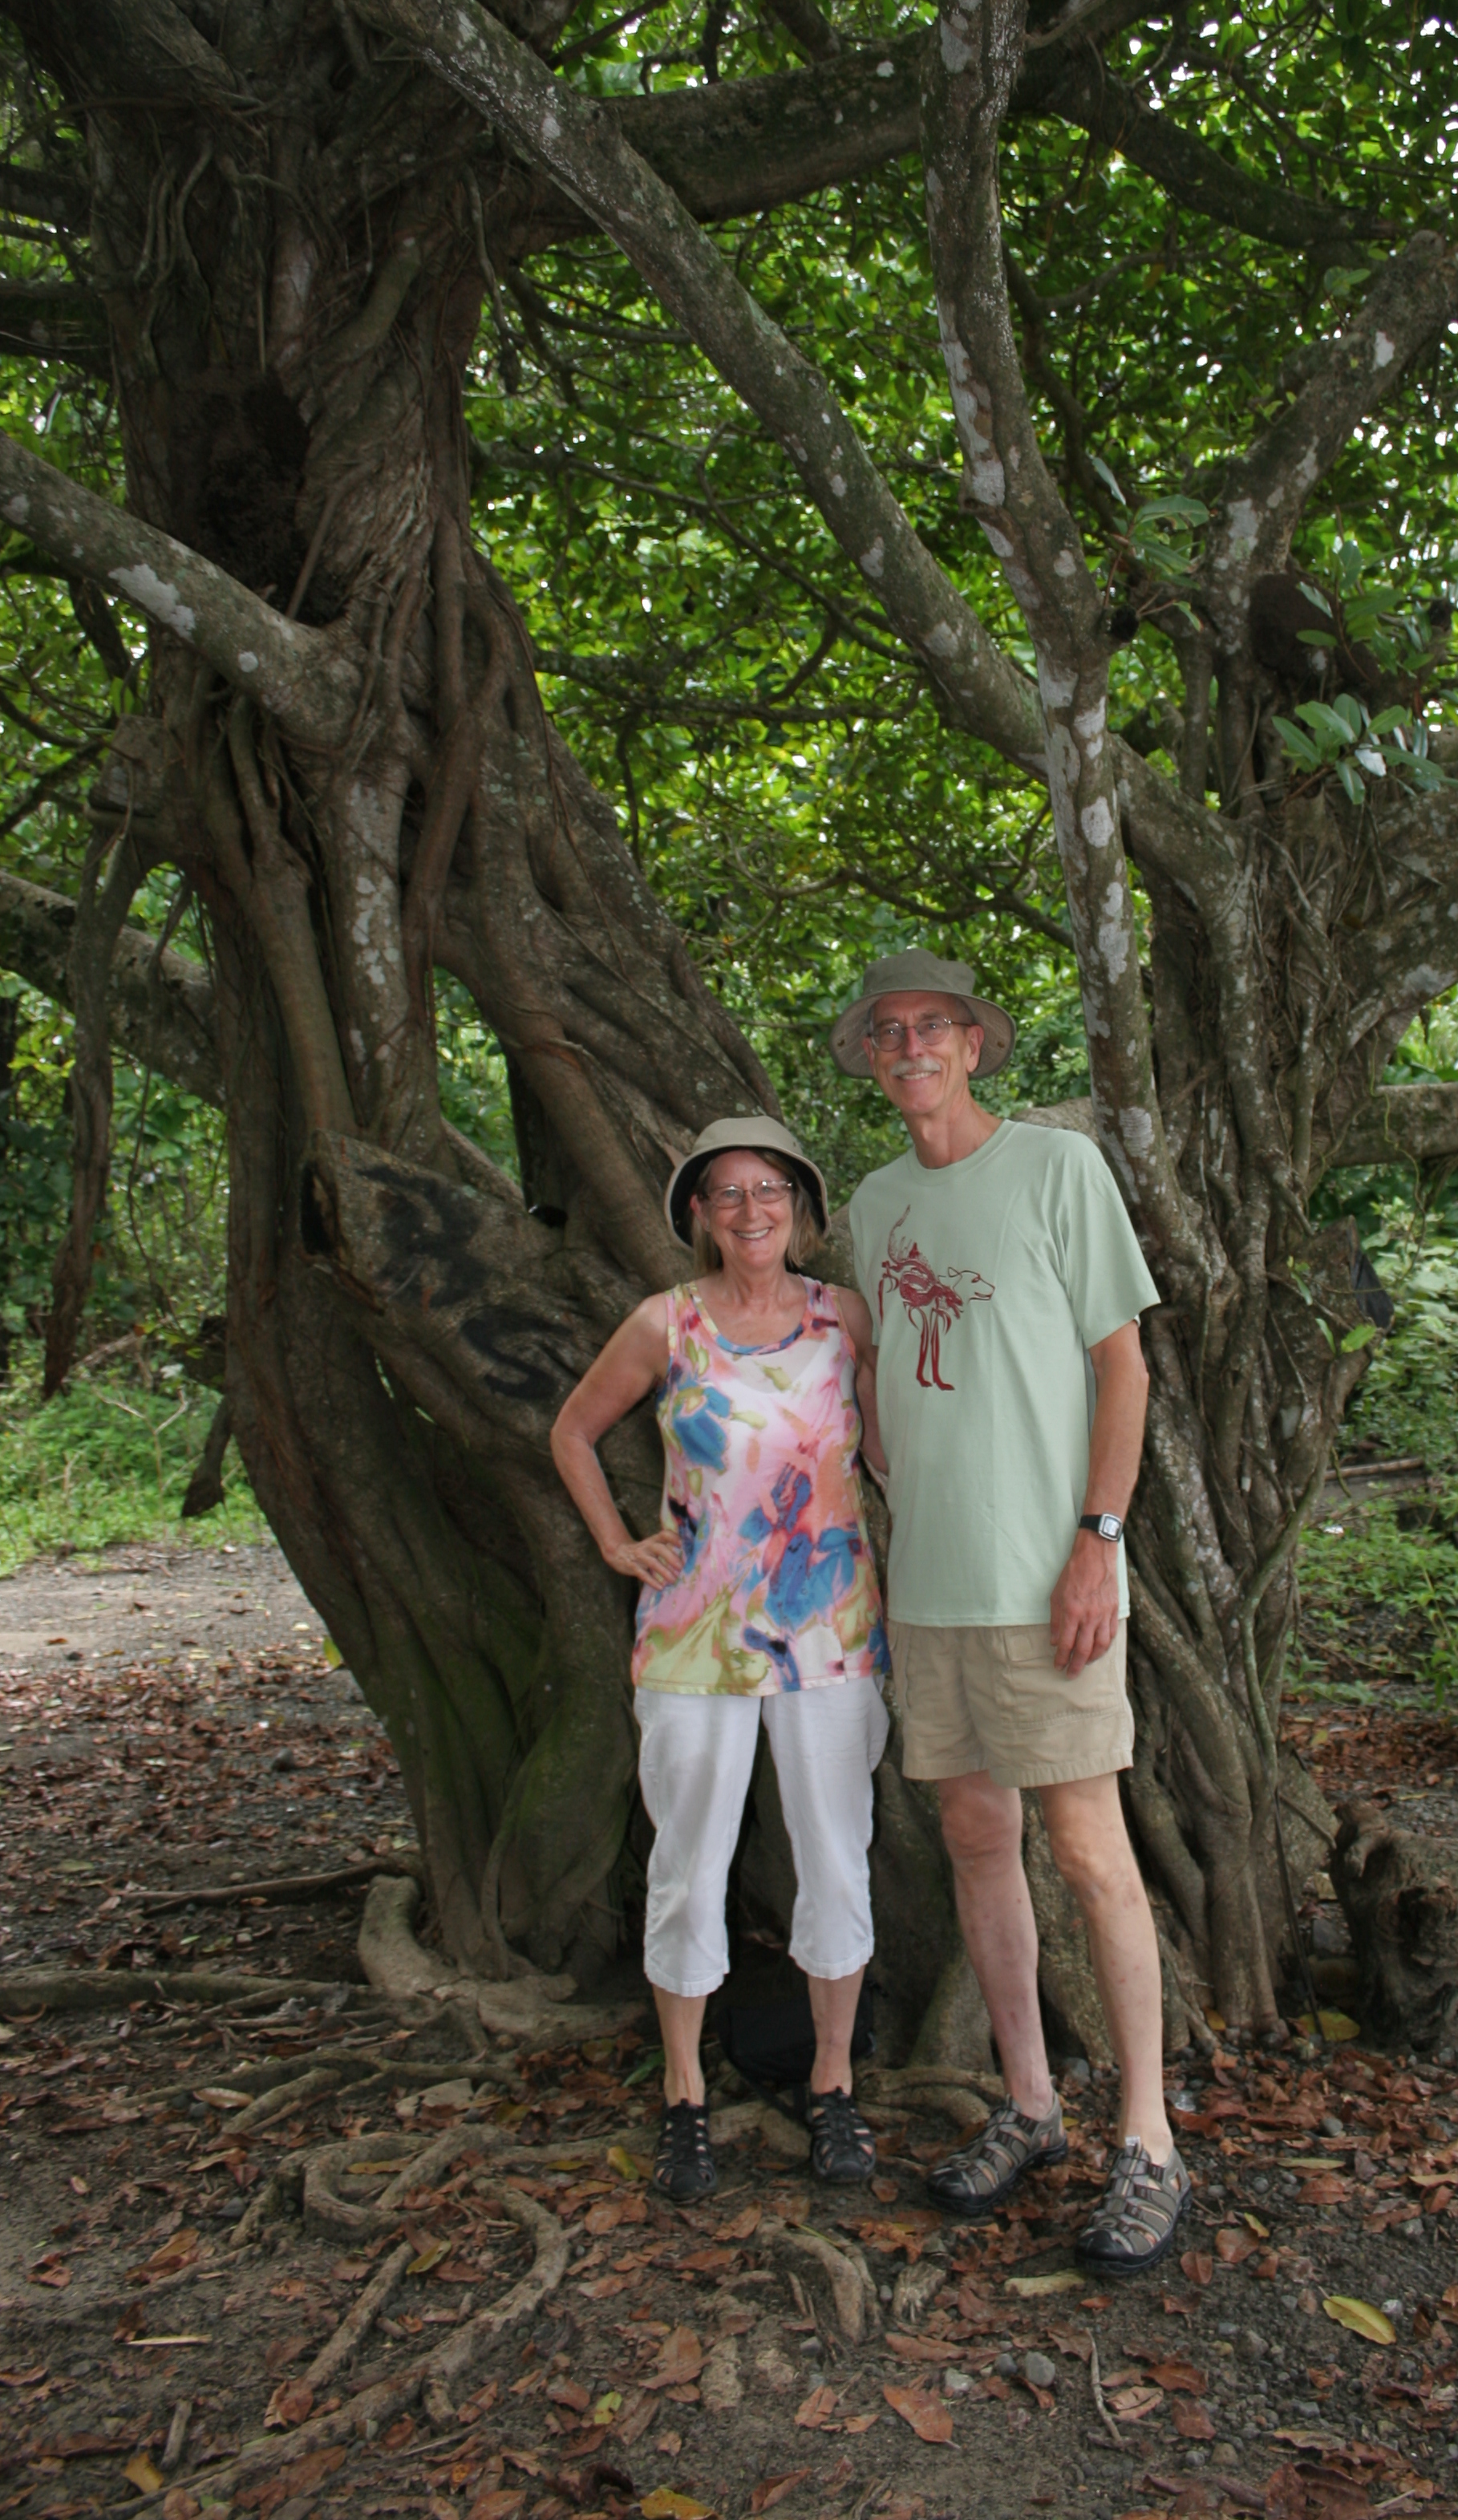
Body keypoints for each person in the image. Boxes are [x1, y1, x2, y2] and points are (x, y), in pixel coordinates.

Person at [835, 950, 1190, 2275]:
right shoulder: (875, 1206)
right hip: (930, 1588)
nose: (913, 1046)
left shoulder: (1055, 1169)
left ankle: (1148, 2141)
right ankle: (1032, 2109)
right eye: (891, 1032)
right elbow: (875, 1366)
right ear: (873, 1061)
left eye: (935, 1027)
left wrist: (1098, 1540)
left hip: (1050, 1582)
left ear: (975, 1046)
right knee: (977, 1839)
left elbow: (1123, 1367)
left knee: (1094, 1856)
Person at [551, 1115, 890, 2204]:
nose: (752, 1211)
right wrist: (616, 1542)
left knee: (837, 1854)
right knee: (687, 1862)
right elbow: (571, 1432)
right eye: (728, 1194)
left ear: (800, 1207)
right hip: (693, 1638)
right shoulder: (667, 1323)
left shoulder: (845, 1319)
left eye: (770, 1191)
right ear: (698, 1214)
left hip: (830, 1631)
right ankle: (685, 2100)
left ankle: (833, 2089)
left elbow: (886, 1450)